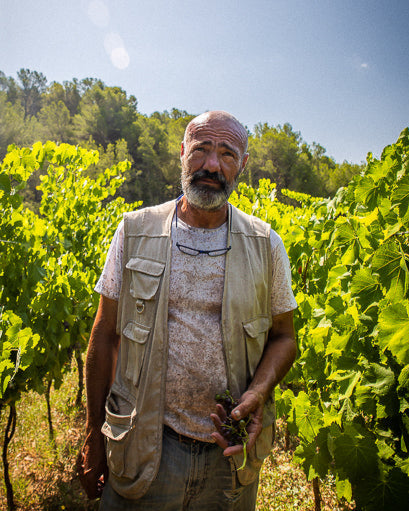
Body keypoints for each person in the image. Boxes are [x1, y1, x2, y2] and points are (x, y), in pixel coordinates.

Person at [77, 110, 297, 510]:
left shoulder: (266, 245)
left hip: (229, 455)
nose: (212, 165)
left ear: (242, 166)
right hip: (144, 446)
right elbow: (104, 334)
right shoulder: (135, 230)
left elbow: (284, 336)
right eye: (201, 150)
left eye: (227, 154)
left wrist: (259, 392)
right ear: (182, 153)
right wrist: (94, 431)